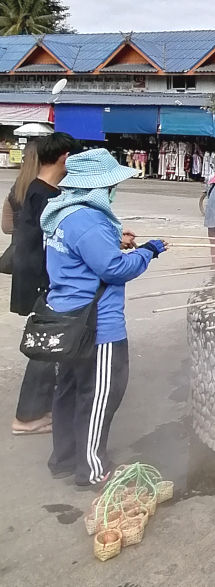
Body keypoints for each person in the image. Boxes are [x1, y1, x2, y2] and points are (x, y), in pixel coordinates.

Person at [40, 148, 168, 487]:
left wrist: (117, 242)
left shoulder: (63, 214)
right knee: (99, 395)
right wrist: (147, 252)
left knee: (68, 391)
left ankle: (64, 458)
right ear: (98, 187)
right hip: (96, 326)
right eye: (112, 186)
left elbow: (86, 259)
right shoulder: (88, 220)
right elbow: (113, 269)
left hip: (66, 321)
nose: (114, 191)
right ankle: (93, 468)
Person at [6, 134, 81, 436]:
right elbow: (51, 242)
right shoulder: (45, 196)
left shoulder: (35, 189)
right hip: (44, 282)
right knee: (47, 346)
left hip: (37, 279)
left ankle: (38, 410)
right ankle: (26, 418)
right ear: (65, 157)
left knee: (50, 347)